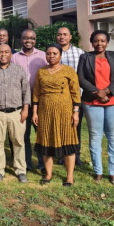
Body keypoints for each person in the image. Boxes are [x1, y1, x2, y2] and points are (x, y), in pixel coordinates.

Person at [77, 30, 114, 185]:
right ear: (92, 42)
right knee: (95, 136)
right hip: (92, 102)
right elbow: (81, 78)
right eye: (96, 41)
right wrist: (96, 92)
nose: (99, 43)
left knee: (113, 137)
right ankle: (98, 171)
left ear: (107, 42)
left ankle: (113, 173)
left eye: (102, 41)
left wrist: (106, 91)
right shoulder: (85, 57)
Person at [32, 43, 81, 186]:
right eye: (48, 53)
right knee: (46, 140)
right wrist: (35, 112)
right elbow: (36, 92)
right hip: (45, 111)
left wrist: (75, 112)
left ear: (60, 55)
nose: (51, 56)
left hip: (65, 111)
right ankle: (48, 174)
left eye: (54, 53)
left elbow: (75, 92)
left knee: (68, 141)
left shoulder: (68, 70)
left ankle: (70, 177)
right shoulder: (41, 71)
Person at [0, 44, 30, 183]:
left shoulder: (19, 70)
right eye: (0, 52)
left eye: (6, 52)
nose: (3, 55)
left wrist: (25, 109)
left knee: (19, 143)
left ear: (11, 54)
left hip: (17, 113)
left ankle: (20, 170)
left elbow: (26, 91)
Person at [11, 29, 47, 172]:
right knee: (23, 134)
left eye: (32, 38)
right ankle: (26, 163)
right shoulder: (13, 58)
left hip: (40, 101)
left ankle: (43, 163)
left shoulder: (43, 56)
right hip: (20, 102)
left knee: (41, 133)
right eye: (26, 38)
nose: (29, 40)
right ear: (21, 39)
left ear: (35, 40)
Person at [56, 26, 85, 165]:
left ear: (70, 37)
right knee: (61, 126)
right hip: (58, 98)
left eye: (65, 34)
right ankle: (62, 155)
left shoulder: (79, 53)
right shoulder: (53, 53)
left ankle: (76, 155)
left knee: (75, 126)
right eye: (60, 34)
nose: (62, 37)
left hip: (76, 96)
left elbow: (84, 74)